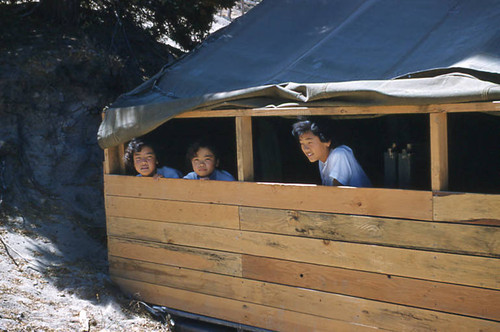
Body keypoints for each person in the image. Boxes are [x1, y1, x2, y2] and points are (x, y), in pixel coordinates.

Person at [292, 119, 371, 187]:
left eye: (310, 142)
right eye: (302, 143)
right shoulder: (321, 160)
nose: (306, 149)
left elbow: (335, 194)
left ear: (327, 141)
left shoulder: (339, 154)